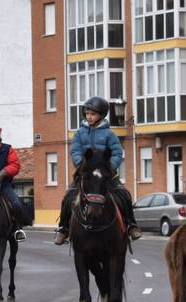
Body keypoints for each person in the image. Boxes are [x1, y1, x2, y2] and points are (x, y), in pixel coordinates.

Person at [54, 96, 142, 245]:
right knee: (68, 197)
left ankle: (131, 225)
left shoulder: (110, 134)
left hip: (106, 176)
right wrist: (83, 166)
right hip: (86, 176)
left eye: (93, 114)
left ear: (101, 115)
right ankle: (63, 228)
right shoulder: (79, 134)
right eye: (87, 113)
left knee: (124, 195)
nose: (89, 117)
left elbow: (117, 153)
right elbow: (75, 151)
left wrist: (108, 168)